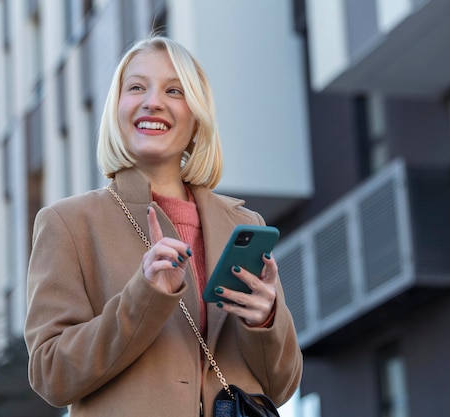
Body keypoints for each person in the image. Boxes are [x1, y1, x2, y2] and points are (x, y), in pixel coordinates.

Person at [24, 35, 302, 417]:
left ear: (196, 115)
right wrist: (144, 296)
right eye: (136, 87)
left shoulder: (243, 224)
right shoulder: (69, 224)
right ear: (117, 108)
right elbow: (51, 373)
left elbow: (281, 385)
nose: (153, 101)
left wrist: (266, 320)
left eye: (174, 90)